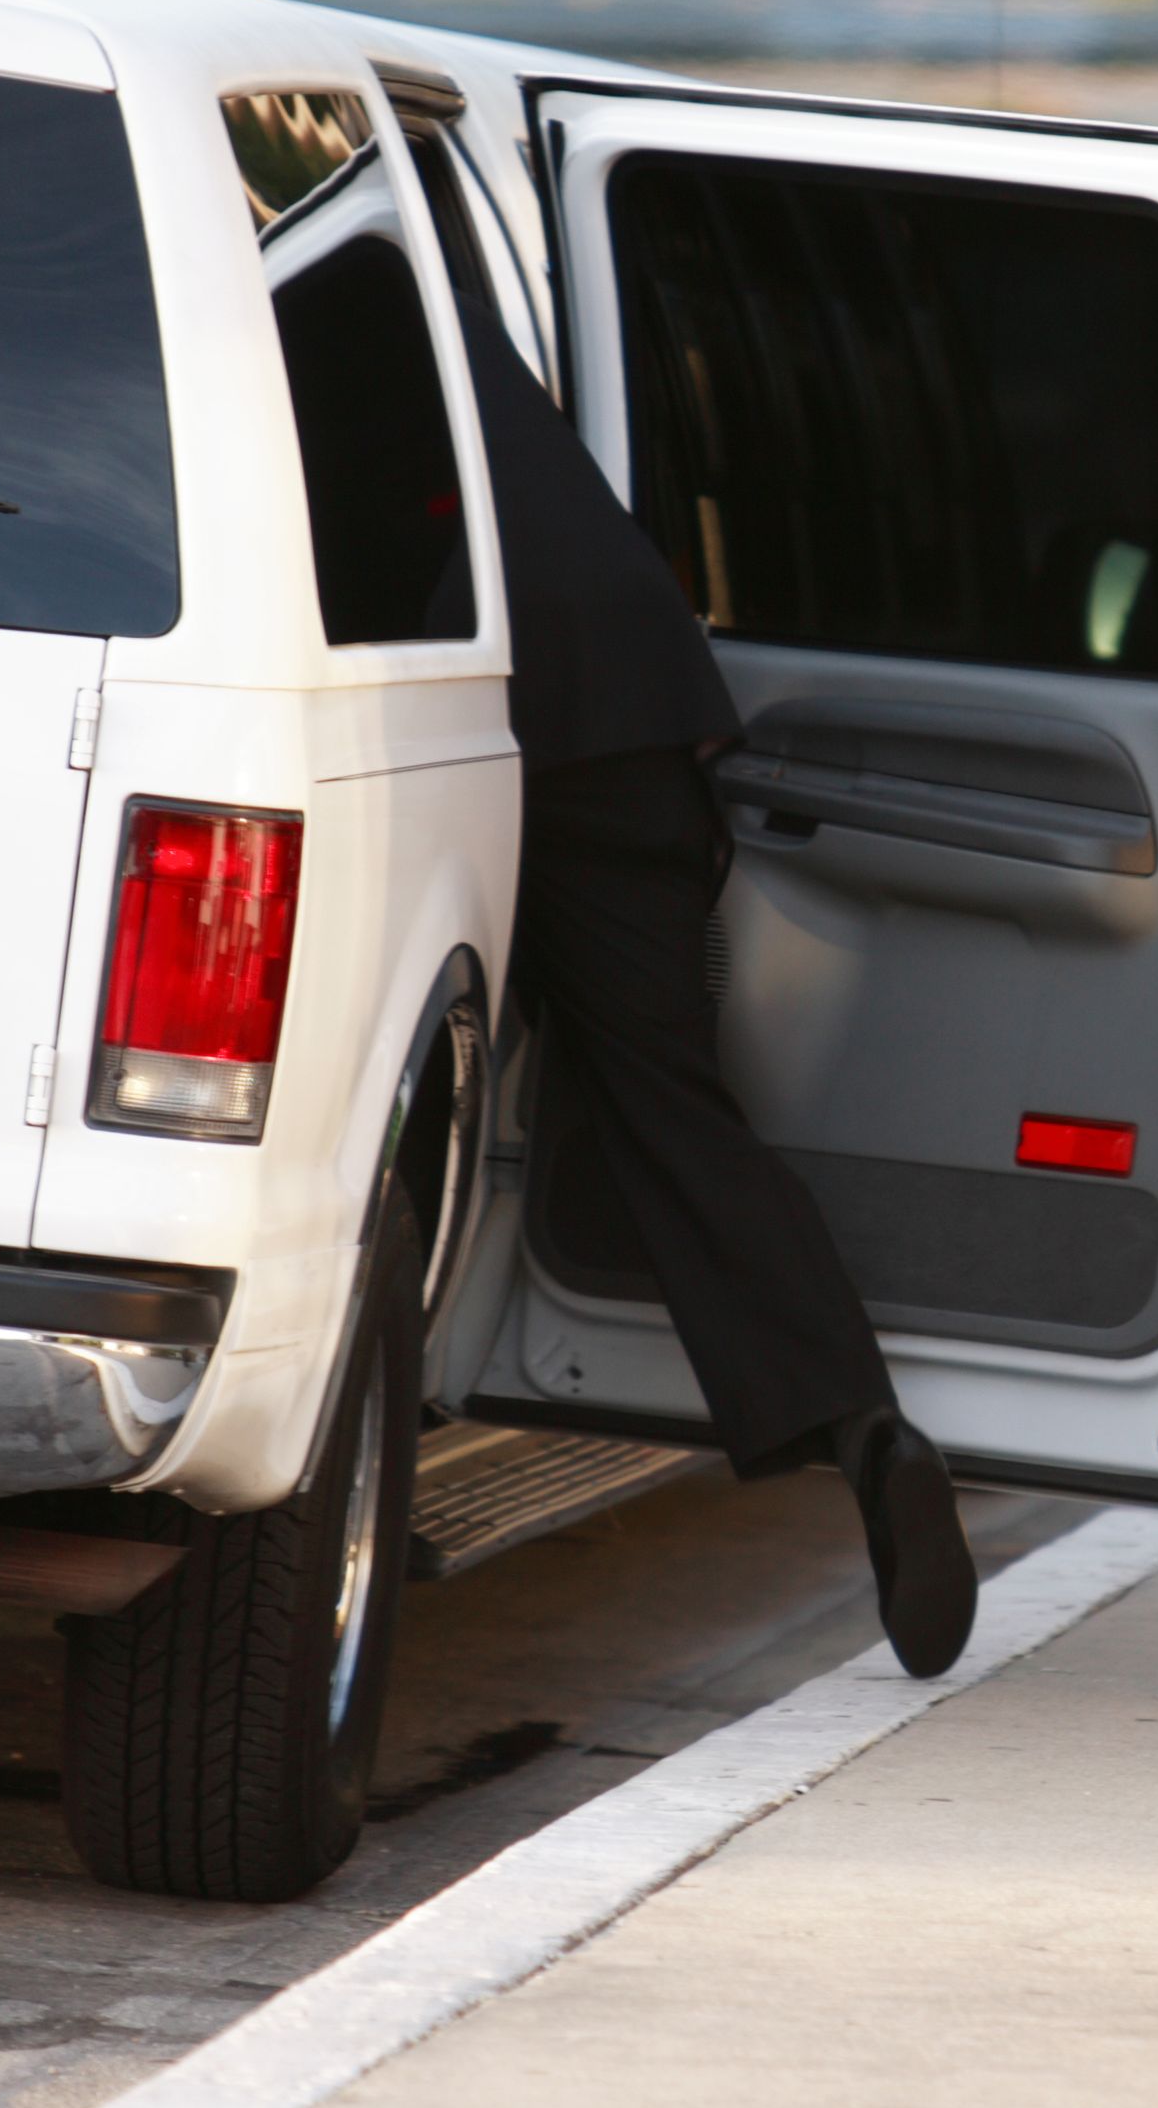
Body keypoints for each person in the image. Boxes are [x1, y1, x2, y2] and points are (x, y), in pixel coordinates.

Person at [411, 134, 977, 1678]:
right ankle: (862, 1427)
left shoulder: (294, 294)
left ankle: (356, 1416)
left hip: (464, 705)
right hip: (637, 713)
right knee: (667, 1100)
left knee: (367, 1086)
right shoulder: (449, 273)